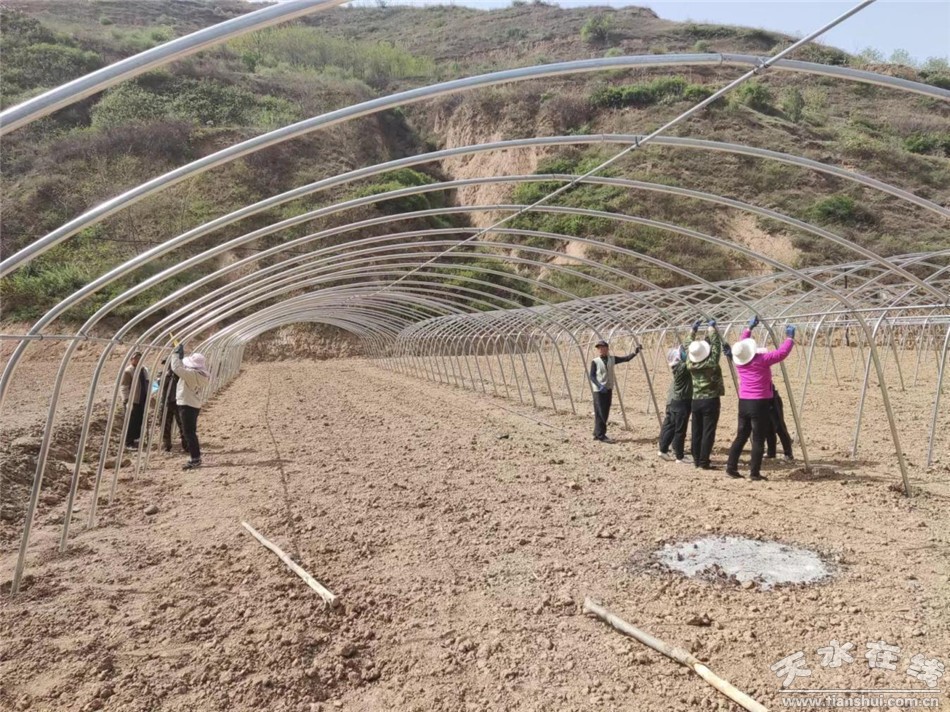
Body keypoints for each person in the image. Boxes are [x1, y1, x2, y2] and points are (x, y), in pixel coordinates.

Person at [725, 317, 796, 481]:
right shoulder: (762, 360)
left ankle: (731, 467)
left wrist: (748, 329)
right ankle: (754, 473)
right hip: (759, 403)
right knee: (758, 438)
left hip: (744, 402)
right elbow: (781, 353)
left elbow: (741, 347)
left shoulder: (739, 362)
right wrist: (790, 338)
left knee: (741, 436)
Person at [686, 319, 725, 470]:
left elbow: (688, 346)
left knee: (696, 431)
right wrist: (712, 330)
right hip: (710, 400)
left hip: (696, 400)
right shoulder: (710, 363)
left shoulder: (690, 363)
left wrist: (692, 331)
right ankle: (704, 461)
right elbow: (716, 347)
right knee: (708, 432)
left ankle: (697, 460)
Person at [589, 339, 643, 443]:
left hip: (608, 389)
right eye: (599, 348)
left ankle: (597, 433)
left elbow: (626, 359)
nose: (600, 350)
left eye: (602, 348)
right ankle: (601, 435)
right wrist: (599, 385)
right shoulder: (595, 361)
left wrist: (635, 352)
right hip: (599, 391)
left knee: (604, 411)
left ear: (607, 349)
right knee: (601, 412)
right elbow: (592, 376)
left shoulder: (612, 359)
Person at [170, 343, 211, 470]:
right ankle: (195, 456)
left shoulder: (192, 375)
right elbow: (183, 369)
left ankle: (195, 458)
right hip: (193, 405)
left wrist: (175, 354)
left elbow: (176, 368)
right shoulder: (201, 375)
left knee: (189, 432)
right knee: (190, 432)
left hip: (187, 405)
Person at [657, 345, 692, 463]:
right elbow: (691, 360)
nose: (683, 354)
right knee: (680, 429)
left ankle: (663, 450)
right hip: (682, 402)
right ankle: (679, 456)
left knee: (671, 426)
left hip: (674, 402)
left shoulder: (676, 367)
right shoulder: (682, 368)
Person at [120, 351, 149, 448]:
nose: (138, 360)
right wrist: (126, 399)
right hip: (133, 401)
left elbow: (147, 383)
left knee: (139, 421)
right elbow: (124, 386)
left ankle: (137, 440)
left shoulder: (144, 370)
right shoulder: (129, 371)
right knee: (131, 422)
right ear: (132, 359)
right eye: (136, 358)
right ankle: (129, 442)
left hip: (142, 400)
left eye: (140, 358)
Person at [158, 359, 186, 453]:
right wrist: (168, 374)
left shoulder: (180, 374)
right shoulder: (162, 374)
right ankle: (167, 445)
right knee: (165, 425)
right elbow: (160, 384)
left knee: (182, 424)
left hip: (178, 402)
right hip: (166, 403)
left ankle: (186, 445)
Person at [765, 383, 794, 462]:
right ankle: (771, 452)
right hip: (763, 401)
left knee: (779, 427)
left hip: (773, 400)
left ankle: (788, 453)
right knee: (768, 427)